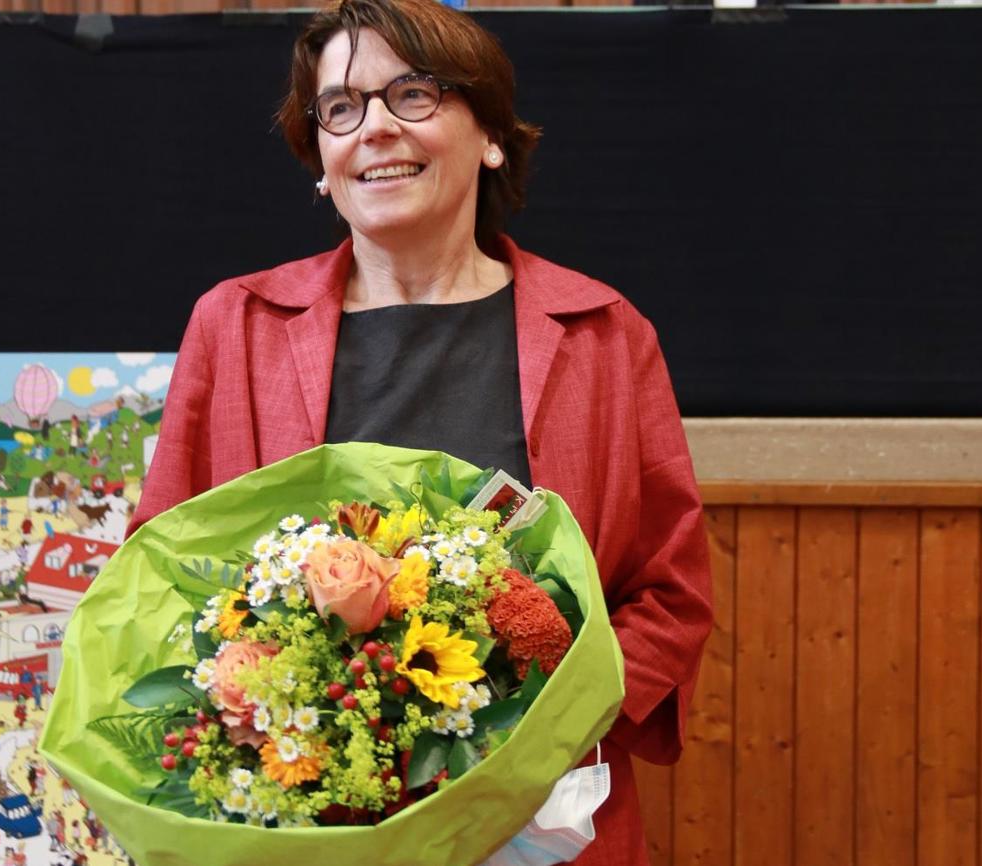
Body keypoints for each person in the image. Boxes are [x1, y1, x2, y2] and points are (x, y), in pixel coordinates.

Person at [125, 2, 713, 863]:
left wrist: (538, 740)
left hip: (537, 822)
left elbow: (672, 594)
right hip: (297, 820)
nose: (375, 128)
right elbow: (159, 574)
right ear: (319, 158)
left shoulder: (604, 334)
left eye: (413, 94)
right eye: (341, 107)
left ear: (491, 135)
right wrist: (258, 707)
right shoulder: (236, 325)